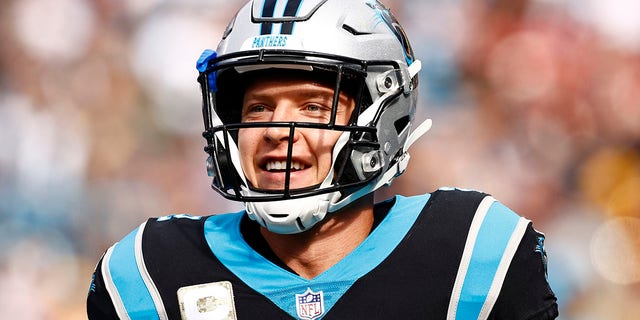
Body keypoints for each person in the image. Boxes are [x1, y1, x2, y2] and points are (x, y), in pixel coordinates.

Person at [87, 0, 558, 319]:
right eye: (258, 108)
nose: (276, 131)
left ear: (381, 116)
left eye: (313, 107)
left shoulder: (473, 254)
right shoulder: (150, 272)